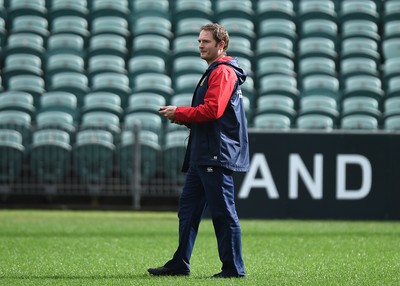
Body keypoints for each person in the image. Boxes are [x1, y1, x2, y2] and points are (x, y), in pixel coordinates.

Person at [148, 23, 250, 278]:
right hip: (204, 153)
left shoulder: (223, 72)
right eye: (199, 41)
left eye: (206, 41)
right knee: (188, 210)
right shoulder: (216, 70)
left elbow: (213, 110)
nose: (201, 46)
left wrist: (180, 113)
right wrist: (181, 115)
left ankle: (233, 269)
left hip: (214, 153)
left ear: (221, 45)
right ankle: (180, 262)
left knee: (224, 213)